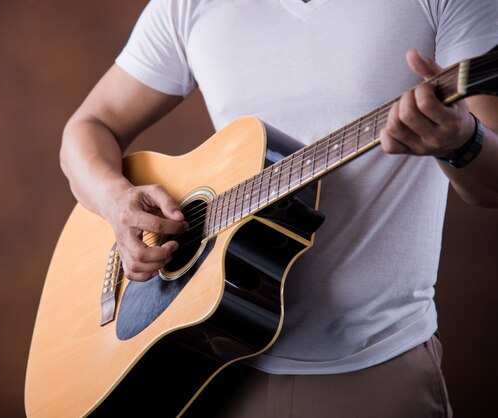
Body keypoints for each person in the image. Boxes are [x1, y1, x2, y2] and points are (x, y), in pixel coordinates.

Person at [60, 1, 498, 416]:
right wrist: (116, 202)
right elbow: (88, 127)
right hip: (213, 372)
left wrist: (464, 142)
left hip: (377, 369)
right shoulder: (187, 5)